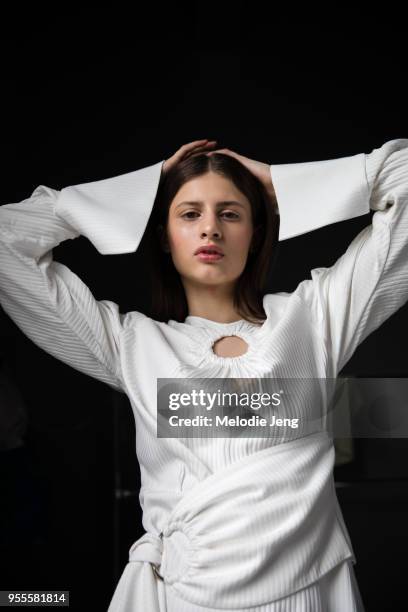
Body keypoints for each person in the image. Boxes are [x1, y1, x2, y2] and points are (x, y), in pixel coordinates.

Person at [0, 137, 407, 611]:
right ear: (162, 235)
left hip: (309, 592)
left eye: (231, 214)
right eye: (189, 214)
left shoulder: (315, 318)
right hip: (183, 597)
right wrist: (139, 193)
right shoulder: (131, 344)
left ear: (255, 233)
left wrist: (280, 185)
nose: (210, 229)